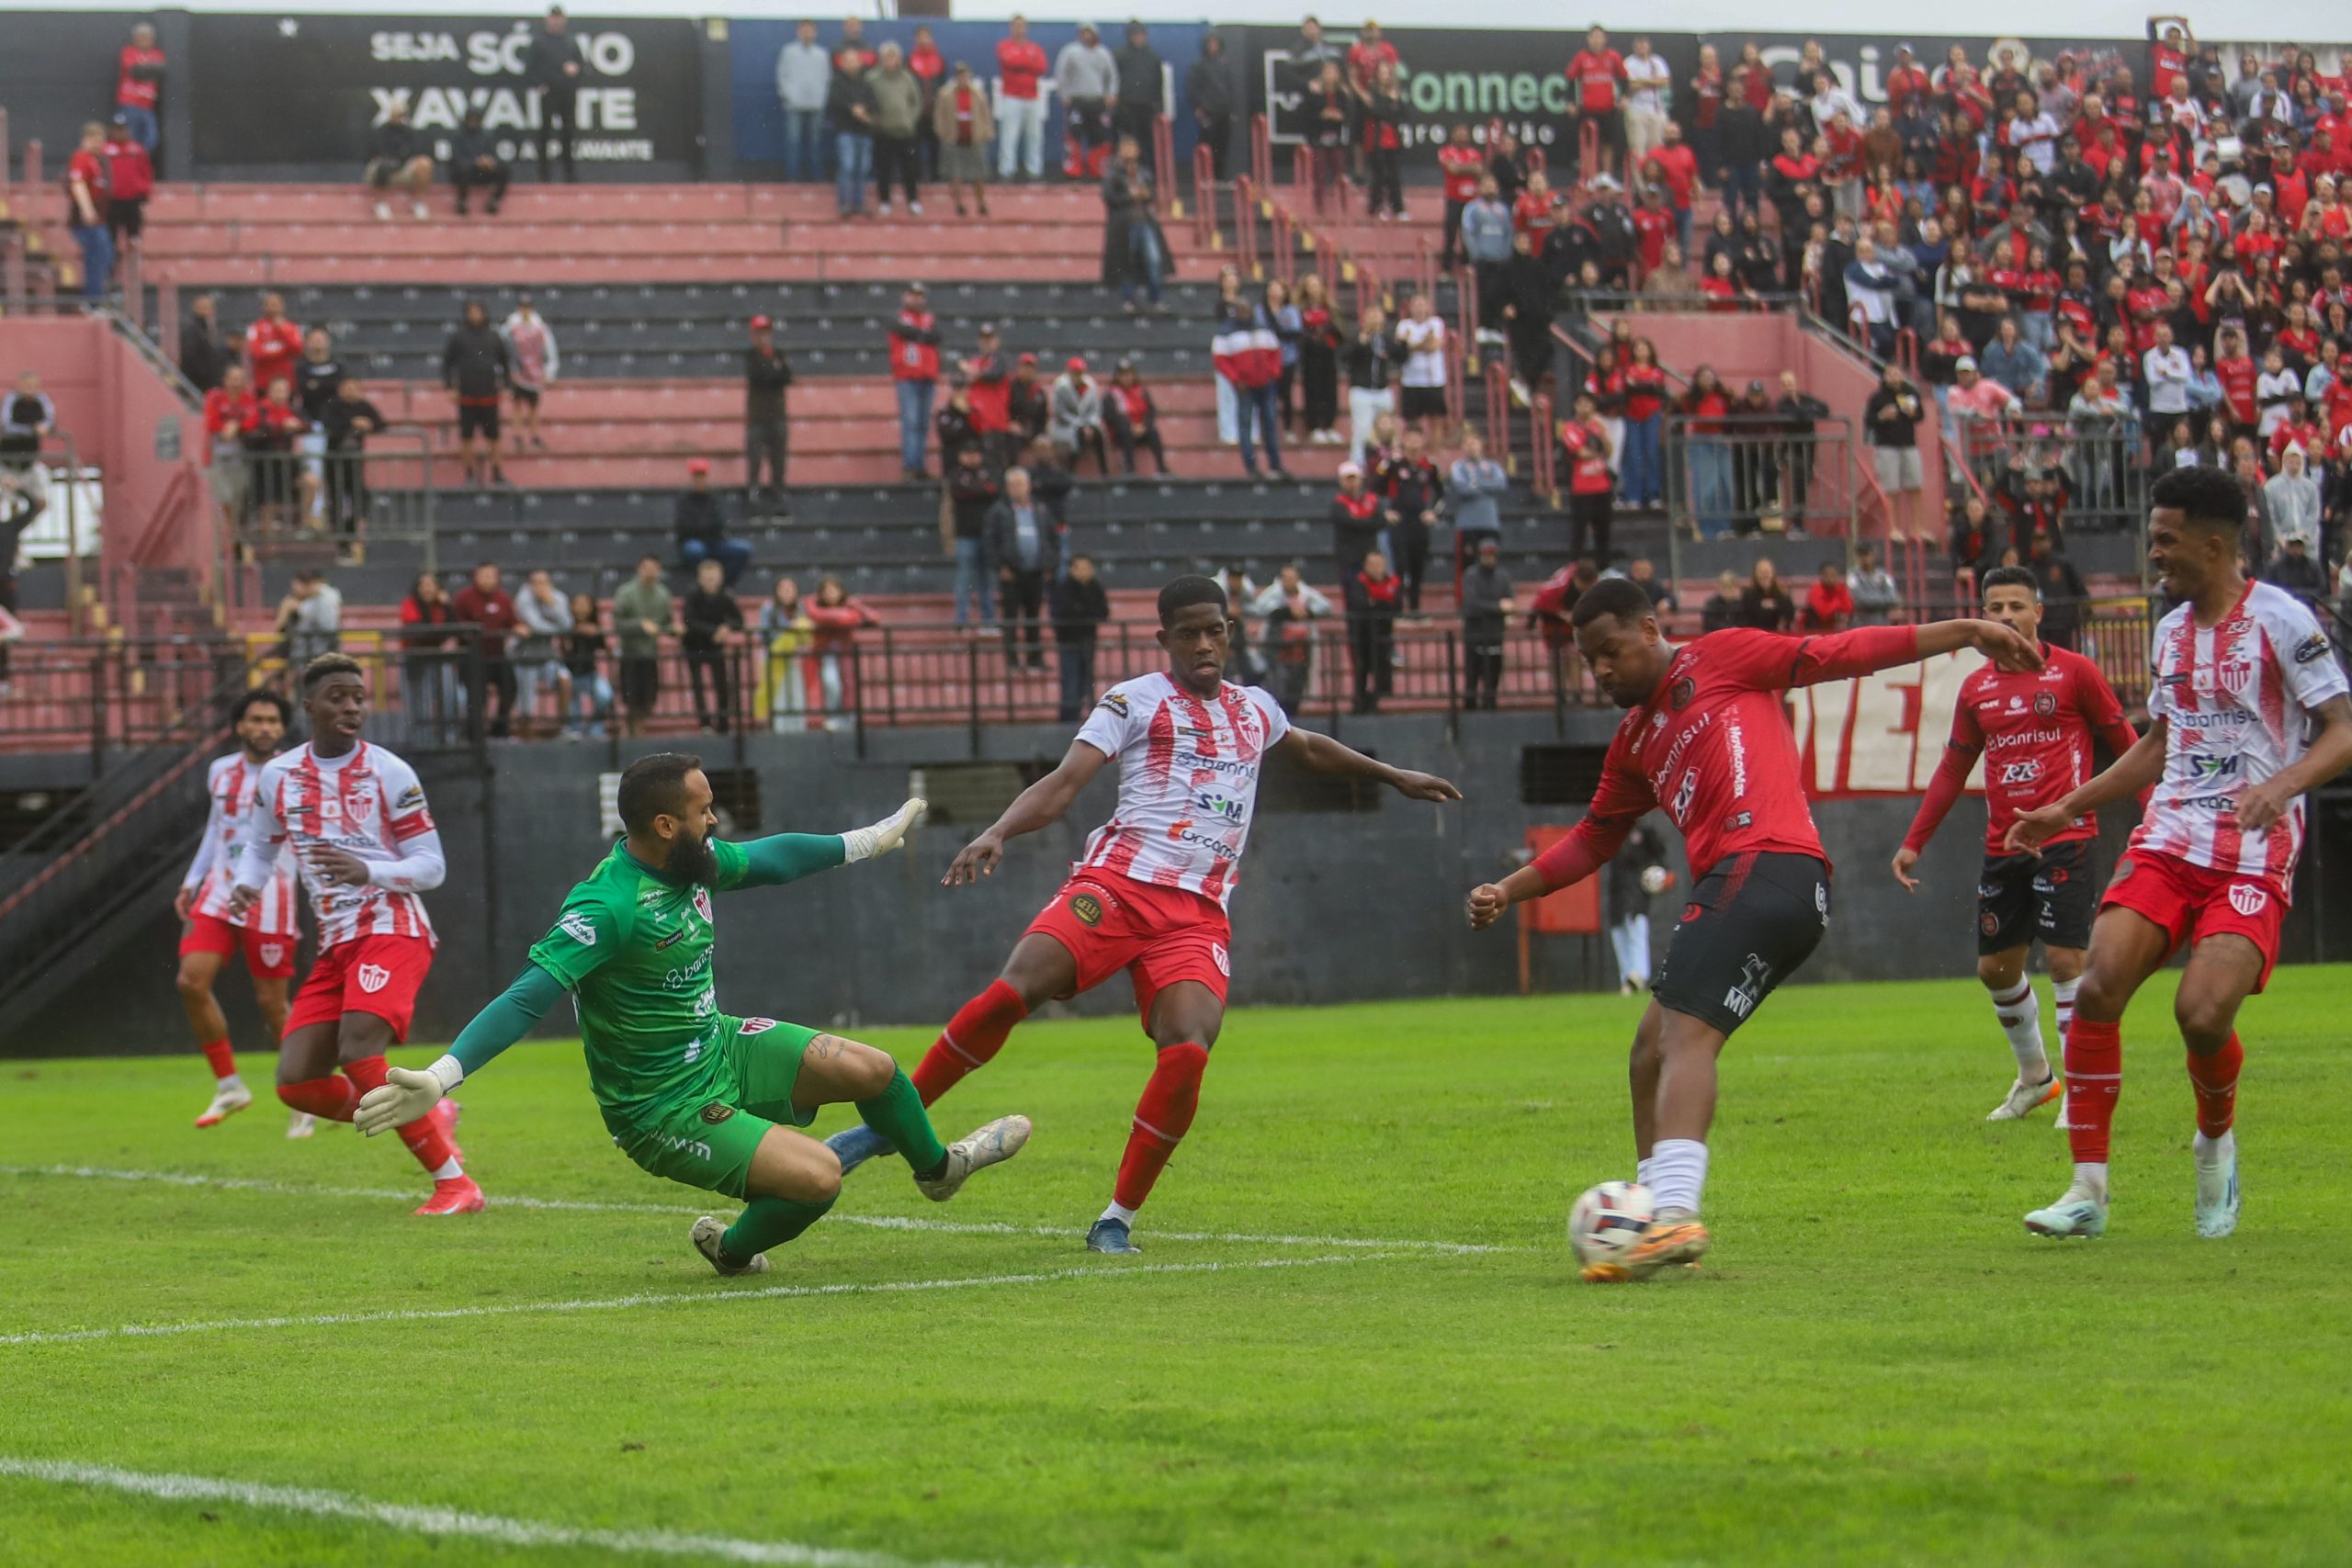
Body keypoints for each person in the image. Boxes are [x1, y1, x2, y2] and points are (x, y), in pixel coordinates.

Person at [826, 576, 1461, 1250]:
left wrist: (1394, 774)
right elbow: (1065, 782)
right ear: (1164, 640)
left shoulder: (1255, 709)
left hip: (1196, 916)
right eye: (1187, 633)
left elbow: (1307, 746)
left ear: (1230, 632)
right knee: (1011, 993)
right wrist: (999, 830)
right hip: (1116, 887)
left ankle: (1115, 1219)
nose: (1203, 644)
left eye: (1213, 630)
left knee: (1187, 1051)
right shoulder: (1134, 700)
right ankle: (884, 1128)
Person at [1465, 577, 2040, 1280]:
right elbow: (1592, 838)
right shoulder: (1634, 741)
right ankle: (1651, 1218)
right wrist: (1509, 889)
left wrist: (1966, 631)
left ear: (1649, 629)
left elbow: (1843, 652)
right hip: (1772, 886)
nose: (1601, 669)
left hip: (1765, 864)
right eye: (1589, 660)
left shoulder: (1721, 657)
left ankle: (1673, 1214)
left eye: (1610, 650)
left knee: (1682, 1039)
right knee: (1648, 1050)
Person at [356, 758, 1025, 1276]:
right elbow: (527, 995)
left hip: (719, 1045)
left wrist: (868, 840)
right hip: (660, 1107)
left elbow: (773, 858)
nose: (716, 819)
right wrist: (442, 1076)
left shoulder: (692, 863)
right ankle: (732, 1251)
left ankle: (939, 1172)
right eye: (704, 810)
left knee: (873, 1070)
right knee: (819, 1179)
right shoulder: (607, 906)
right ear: (665, 825)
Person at [2006, 468, 2352, 1241]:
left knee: (2200, 1013)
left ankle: (2215, 1145)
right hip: (2169, 838)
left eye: (2166, 539)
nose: (2154, 553)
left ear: (2214, 544)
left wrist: (2282, 785)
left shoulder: (2284, 620)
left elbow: (2343, 728)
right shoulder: (2168, 632)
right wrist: (2068, 805)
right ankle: (2087, 1190)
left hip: (2254, 851)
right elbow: (2161, 744)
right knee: (2098, 986)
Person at [228, 654, 477, 1215]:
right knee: (296, 1082)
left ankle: (455, 1184)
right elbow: (260, 847)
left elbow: (432, 866)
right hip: (336, 942)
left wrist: (370, 871)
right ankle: (431, 1112)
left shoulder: (390, 771)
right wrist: (246, 885)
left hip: (391, 927)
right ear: (309, 705)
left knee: (359, 1050)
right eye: (337, 696)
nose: (351, 706)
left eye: (358, 697)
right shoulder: (278, 776)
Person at [1893, 564, 2141, 1120]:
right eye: (1995, 608)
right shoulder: (1976, 688)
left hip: (2065, 835)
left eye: (2016, 607)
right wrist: (1914, 841)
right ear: (1982, 617)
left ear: (2038, 613)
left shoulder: (2075, 672)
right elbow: (1953, 769)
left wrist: (2156, 811)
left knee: (2066, 960)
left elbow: (2129, 744)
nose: (2005, 617)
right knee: (1996, 970)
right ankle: (2036, 1079)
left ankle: (2082, 1093)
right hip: (2004, 846)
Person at [175, 692, 304, 1134]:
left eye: (273, 720)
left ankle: (304, 1093)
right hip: (219, 889)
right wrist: (192, 880)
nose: (265, 727)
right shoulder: (220, 771)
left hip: (271, 896)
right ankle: (230, 1085)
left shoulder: (293, 772)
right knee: (191, 981)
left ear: (281, 728)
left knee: (272, 1005)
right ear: (240, 726)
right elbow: (217, 829)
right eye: (256, 719)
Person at [986, 466, 1057, 671]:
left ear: (1028, 486)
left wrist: (1049, 565)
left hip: (1036, 572)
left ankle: (1035, 659)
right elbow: (990, 542)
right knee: (1011, 617)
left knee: (1033, 617)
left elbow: (1052, 539)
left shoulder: (1041, 509)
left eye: (1020, 484)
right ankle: (1012, 661)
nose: (1017, 489)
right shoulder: (999, 511)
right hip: (1011, 573)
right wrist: (1000, 566)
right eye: (1013, 485)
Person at [1215, 296, 1286, 479]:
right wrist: (1235, 379)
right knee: (1245, 425)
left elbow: (1275, 352)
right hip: (1244, 386)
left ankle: (1275, 464)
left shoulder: (1263, 329)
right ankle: (1251, 467)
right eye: (1241, 310)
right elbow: (1220, 359)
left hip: (1266, 383)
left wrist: (1274, 372)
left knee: (1270, 423)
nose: (1244, 313)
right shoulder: (1225, 332)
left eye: (1246, 309)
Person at [442, 299, 510, 488]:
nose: (475, 315)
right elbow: (447, 363)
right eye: (471, 312)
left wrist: (506, 385)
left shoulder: (494, 337)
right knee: (466, 437)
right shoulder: (459, 337)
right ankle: (469, 474)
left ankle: (497, 472)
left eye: (478, 311)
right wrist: (450, 387)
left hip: (489, 395)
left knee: (494, 437)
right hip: (467, 396)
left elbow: (505, 362)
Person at [452, 561, 520, 739]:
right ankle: (474, 734)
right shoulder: (464, 598)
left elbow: (513, 623)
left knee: (510, 687)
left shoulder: (503, 599)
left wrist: (519, 628)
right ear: (475, 577)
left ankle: (500, 729)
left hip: (497, 654)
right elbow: (455, 623)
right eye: (484, 575)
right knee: (478, 696)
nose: (488, 580)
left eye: (491, 576)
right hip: (472, 657)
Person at [1102, 135, 1169, 312]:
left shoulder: (1143, 172)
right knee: (1126, 262)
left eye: (1132, 148)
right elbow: (1109, 197)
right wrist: (1129, 196)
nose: (1129, 152)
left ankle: (1156, 298)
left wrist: (1146, 194)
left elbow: (1152, 192)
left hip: (1145, 221)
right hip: (1124, 225)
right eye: (1126, 148)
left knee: (1154, 259)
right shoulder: (1113, 173)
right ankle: (1129, 299)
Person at [1603, 820, 1671, 993]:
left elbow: (1661, 857)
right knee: (1619, 933)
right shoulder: (1613, 831)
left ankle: (1639, 976)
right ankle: (1626, 979)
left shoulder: (1643, 831)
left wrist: (1663, 874)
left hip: (1637, 894)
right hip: (1617, 893)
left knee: (1636, 930)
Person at [680, 557, 744, 734]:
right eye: (707, 578)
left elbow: (739, 620)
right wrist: (713, 631)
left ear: (721, 578)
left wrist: (727, 628)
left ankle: (723, 723)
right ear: (700, 579)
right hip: (694, 645)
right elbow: (689, 620)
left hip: (716, 648)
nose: (711, 582)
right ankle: (705, 723)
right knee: (698, 686)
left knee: (722, 685)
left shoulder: (725, 596)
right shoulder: (692, 596)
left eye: (714, 578)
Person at [613, 554, 674, 738]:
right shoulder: (626, 592)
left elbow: (665, 623)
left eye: (654, 568)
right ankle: (632, 728)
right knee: (631, 696)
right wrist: (640, 625)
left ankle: (638, 726)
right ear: (639, 569)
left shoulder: (663, 594)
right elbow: (618, 623)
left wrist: (674, 629)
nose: (650, 572)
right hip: (630, 652)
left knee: (649, 697)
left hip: (650, 653)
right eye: (647, 567)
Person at [1862, 362, 1926, 541]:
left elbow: (1921, 415)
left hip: (1909, 444)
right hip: (1886, 446)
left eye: (1897, 374)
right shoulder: (1878, 398)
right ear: (1885, 377)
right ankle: (1893, 528)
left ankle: (1917, 527)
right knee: (1891, 488)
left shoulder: (1911, 393)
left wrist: (1913, 413)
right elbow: (1869, 420)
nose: (1895, 378)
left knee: (1915, 485)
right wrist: (1882, 416)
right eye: (1891, 374)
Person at [397, 570, 462, 734]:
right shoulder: (410, 603)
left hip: (438, 658)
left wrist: (446, 605)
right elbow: (417, 630)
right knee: (418, 703)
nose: (428, 589)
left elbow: (454, 628)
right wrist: (437, 633)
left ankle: (447, 735)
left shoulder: (441, 606)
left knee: (448, 697)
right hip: (415, 660)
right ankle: (419, 738)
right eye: (424, 585)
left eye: (431, 585)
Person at [526, 6, 584, 184]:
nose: (556, 21)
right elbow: (529, 68)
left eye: (559, 18)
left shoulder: (570, 41)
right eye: (553, 17)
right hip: (549, 93)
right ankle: (544, 175)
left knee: (568, 133)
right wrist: (540, 84)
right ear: (547, 19)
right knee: (545, 133)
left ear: (564, 20)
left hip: (567, 93)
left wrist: (576, 70)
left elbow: (582, 66)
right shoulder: (539, 42)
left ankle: (569, 174)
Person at [512, 568, 572, 737]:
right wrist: (557, 629)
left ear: (550, 584)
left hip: (548, 657)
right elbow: (536, 626)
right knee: (526, 702)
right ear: (529, 585)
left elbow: (568, 625)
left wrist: (553, 606)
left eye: (544, 582)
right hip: (525, 657)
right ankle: (525, 733)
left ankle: (562, 726)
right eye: (536, 583)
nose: (540, 586)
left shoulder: (558, 598)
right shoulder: (523, 599)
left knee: (565, 680)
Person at [495, 297, 559, 456]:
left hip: (534, 373)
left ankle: (534, 436)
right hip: (517, 372)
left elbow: (549, 349)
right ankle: (518, 436)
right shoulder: (509, 328)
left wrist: (549, 371)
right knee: (517, 405)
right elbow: (502, 348)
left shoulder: (540, 327)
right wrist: (504, 371)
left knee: (534, 406)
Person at [1050, 553, 1109, 722]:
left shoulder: (1095, 587)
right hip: (1068, 640)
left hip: (1088, 640)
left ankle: (1089, 717)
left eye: (1087, 568)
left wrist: (1082, 610)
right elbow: (1063, 612)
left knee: (1086, 678)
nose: (1084, 572)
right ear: (1071, 570)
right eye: (1080, 568)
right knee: (1070, 679)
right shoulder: (1064, 588)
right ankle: (1069, 718)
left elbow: (1103, 612)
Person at [743, 315, 793, 514]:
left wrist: (774, 372)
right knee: (755, 458)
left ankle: (777, 492)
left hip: (777, 416)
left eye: (766, 332)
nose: (763, 337)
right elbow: (760, 376)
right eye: (759, 333)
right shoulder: (751, 356)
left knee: (778, 459)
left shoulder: (779, 354)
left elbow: (787, 376)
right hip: (757, 417)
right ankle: (753, 492)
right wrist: (774, 371)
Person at [673, 457, 751, 586]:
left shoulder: (714, 497)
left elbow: (720, 523)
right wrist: (706, 527)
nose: (700, 480)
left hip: (715, 543)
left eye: (702, 476)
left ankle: (723, 585)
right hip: (694, 542)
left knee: (743, 549)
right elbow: (684, 526)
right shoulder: (684, 500)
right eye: (697, 476)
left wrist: (701, 527)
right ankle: (703, 585)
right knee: (695, 550)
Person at [1055, 23, 1116, 180]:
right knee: (1074, 135)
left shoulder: (1103, 53)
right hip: (1077, 100)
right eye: (1084, 32)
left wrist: (1111, 95)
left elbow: (1112, 76)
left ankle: (1097, 169)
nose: (1087, 36)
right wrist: (1064, 94)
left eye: (1090, 33)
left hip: (1098, 101)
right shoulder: (1070, 52)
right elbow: (1061, 73)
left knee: (1100, 136)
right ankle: (1073, 169)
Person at [869, 42, 924, 216]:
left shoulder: (907, 78)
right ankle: (885, 202)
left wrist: (910, 120)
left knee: (910, 170)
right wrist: (875, 120)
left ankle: (913, 201)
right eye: (887, 57)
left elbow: (917, 102)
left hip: (905, 132)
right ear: (881, 59)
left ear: (899, 59)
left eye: (894, 56)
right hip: (882, 132)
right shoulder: (872, 78)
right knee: (883, 170)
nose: (891, 60)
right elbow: (867, 102)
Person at [1460, 536, 1515, 711]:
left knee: (1493, 678)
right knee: (1472, 676)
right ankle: (1470, 707)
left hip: (1495, 634)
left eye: (1492, 555)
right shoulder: (1471, 574)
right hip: (1474, 634)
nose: (1489, 558)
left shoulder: (1503, 576)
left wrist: (1500, 607)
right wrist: (1498, 607)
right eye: (1485, 555)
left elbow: (1510, 601)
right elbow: (1471, 603)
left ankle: (1490, 707)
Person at [933, 60, 993, 219]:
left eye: (965, 75)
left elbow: (986, 115)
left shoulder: (978, 94)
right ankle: (959, 204)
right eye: (960, 76)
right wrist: (942, 133)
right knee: (956, 174)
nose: (963, 79)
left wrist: (987, 133)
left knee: (978, 175)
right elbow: (939, 116)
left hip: (974, 137)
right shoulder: (945, 94)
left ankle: (981, 203)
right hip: (954, 137)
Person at [775, 20, 833, 183]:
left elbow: (827, 78)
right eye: (804, 30)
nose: (807, 33)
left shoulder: (822, 54)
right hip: (794, 105)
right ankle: (792, 177)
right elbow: (781, 76)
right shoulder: (788, 52)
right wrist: (788, 96)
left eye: (810, 30)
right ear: (798, 32)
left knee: (816, 142)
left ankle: (816, 177)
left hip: (817, 105)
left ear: (815, 33)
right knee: (793, 141)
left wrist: (822, 98)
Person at [1344, 303, 1402, 464]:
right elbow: (1344, 357)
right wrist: (1360, 343)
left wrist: (1403, 342)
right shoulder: (1356, 336)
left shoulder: (1385, 339)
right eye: (1371, 315)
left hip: (1382, 389)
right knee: (1362, 429)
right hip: (1361, 390)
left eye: (1377, 314)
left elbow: (1400, 356)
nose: (1374, 318)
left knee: (1386, 429)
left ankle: (1385, 461)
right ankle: (1358, 463)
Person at [995, 15, 1050, 182]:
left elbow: (1042, 67)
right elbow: (1011, 61)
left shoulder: (1035, 48)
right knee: (1009, 135)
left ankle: (1034, 170)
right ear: (1011, 27)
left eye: (1022, 26)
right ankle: (1007, 170)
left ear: (1026, 28)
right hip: (1012, 97)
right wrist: (1029, 61)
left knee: (1035, 136)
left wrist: (1025, 62)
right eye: (1016, 26)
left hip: (1032, 97)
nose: (1019, 29)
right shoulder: (1004, 45)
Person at [1349, 549, 1402, 713]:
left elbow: (1397, 607)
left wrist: (1376, 604)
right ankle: (1360, 705)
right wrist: (1383, 604)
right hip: (1362, 636)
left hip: (1384, 635)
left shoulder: (1393, 583)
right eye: (1372, 564)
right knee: (1362, 671)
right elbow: (1361, 606)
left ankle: (1380, 702)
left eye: (1379, 564)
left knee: (1383, 670)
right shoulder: (1359, 582)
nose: (1376, 568)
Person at [65, 122, 113, 304]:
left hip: (98, 218)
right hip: (88, 220)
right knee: (97, 255)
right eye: (96, 139)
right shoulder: (82, 158)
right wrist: (87, 210)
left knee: (104, 255)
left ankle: (98, 295)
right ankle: (93, 299)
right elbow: (78, 184)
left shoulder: (98, 160)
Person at [827, 47, 876, 219]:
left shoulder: (866, 83)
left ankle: (859, 203)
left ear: (860, 62)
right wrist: (852, 109)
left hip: (864, 132)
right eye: (847, 60)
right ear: (842, 63)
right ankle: (844, 204)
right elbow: (835, 101)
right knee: (847, 166)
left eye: (854, 60)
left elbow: (873, 103)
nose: (851, 63)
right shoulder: (837, 82)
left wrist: (864, 110)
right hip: (845, 130)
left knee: (863, 169)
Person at [363, 101, 434, 222]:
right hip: (384, 166)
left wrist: (401, 158)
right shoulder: (381, 131)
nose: (399, 117)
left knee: (424, 164)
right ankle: (380, 203)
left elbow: (414, 152)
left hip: (403, 167)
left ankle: (418, 203)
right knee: (380, 167)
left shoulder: (409, 132)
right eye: (396, 114)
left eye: (401, 114)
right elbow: (373, 153)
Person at [1395, 293, 1450, 436]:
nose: (1419, 308)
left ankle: (1435, 450)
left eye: (1422, 305)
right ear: (1410, 308)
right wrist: (1424, 342)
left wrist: (1413, 344)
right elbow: (1403, 348)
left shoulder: (1436, 323)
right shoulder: (1403, 325)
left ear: (1428, 307)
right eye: (1416, 305)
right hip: (1410, 380)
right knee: (1411, 422)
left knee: (1436, 421)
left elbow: (1434, 346)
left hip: (1434, 380)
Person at [1102, 358, 1167, 475]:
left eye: (1128, 374)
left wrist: (1144, 426)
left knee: (1154, 432)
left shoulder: (1141, 391)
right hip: (1121, 433)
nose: (1126, 378)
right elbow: (1109, 416)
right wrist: (1129, 426)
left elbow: (1151, 411)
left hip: (1142, 429)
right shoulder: (1111, 394)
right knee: (1126, 429)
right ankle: (1130, 469)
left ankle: (1162, 468)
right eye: (1123, 375)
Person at [1048, 357, 1109, 475]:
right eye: (1075, 372)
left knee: (1098, 433)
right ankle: (1071, 471)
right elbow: (1060, 413)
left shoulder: (1090, 385)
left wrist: (1089, 424)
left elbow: (1095, 410)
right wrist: (1080, 424)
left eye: (1080, 372)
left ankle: (1104, 471)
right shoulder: (1060, 386)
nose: (1078, 376)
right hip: (1065, 425)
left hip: (1087, 423)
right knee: (1076, 437)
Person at [102, 117, 153, 255]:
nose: (120, 133)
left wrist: (144, 192)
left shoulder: (137, 150)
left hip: (132, 200)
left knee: (134, 237)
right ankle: (111, 264)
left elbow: (146, 173)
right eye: (117, 130)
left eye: (123, 129)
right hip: (112, 201)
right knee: (110, 236)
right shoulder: (104, 150)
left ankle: (133, 266)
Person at [1188, 33, 1235, 182]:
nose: (1213, 46)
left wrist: (1230, 108)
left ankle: (1219, 177)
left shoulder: (1225, 64)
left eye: (1216, 43)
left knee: (1222, 145)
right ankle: (1204, 176)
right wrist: (1198, 107)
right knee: (1207, 144)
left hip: (1223, 111)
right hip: (1208, 111)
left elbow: (1231, 88)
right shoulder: (1198, 65)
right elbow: (1192, 88)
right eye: (1210, 43)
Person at [450, 107, 510, 217]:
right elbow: (457, 158)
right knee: (462, 169)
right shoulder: (458, 136)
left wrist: (489, 162)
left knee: (504, 169)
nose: (473, 122)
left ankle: (494, 200)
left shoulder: (486, 135)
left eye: (476, 119)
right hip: (466, 171)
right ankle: (462, 201)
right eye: (471, 119)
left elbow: (493, 155)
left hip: (483, 171)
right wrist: (476, 162)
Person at [116, 22, 166, 152]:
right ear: (135, 39)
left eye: (147, 37)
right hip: (130, 103)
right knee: (131, 137)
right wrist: (148, 70)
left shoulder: (156, 53)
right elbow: (134, 71)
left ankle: (140, 159)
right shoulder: (129, 52)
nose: (145, 40)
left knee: (152, 138)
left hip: (148, 105)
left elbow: (160, 70)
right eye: (141, 37)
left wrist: (144, 70)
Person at [180, 293, 230, 393]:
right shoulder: (192, 327)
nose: (207, 309)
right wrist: (204, 374)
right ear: (195, 307)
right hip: (198, 381)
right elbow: (189, 355)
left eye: (209, 306)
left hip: (203, 379)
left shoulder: (202, 326)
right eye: (203, 306)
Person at [1736, 558, 1794, 631]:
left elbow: (1789, 616)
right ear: (1755, 575)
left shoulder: (1782, 594)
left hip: (1776, 633)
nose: (1764, 575)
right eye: (1761, 572)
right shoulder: (1748, 595)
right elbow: (1745, 618)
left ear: (1773, 574)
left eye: (1767, 572)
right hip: (1755, 633)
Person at [1848, 544, 1900, 626]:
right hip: (1861, 624)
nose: (1864, 558)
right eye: (1861, 555)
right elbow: (1859, 600)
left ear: (1873, 556)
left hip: (1882, 623)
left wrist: (1872, 601)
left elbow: (1892, 598)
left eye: (1866, 554)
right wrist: (1882, 600)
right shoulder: (1853, 576)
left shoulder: (1884, 575)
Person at [1801, 561, 1854, 631]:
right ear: (1821, 576)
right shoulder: (1816, 590)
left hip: (1833, 629)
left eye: (1833, 575)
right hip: (1811, 630)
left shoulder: (1841, 589)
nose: (1830, 578)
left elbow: (1849, 608)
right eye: (1827, 575)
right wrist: (1837, 602)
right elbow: (1824, 613)